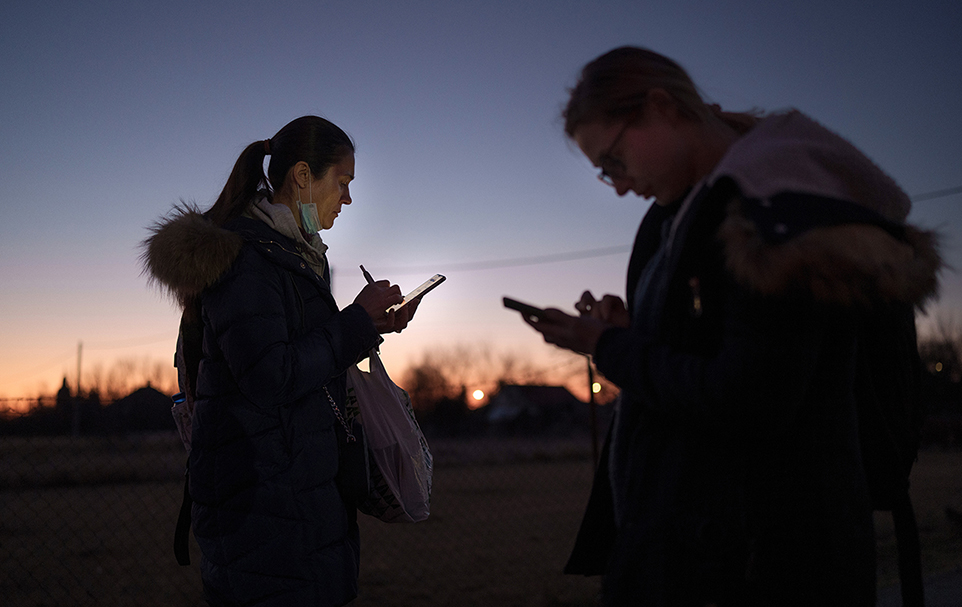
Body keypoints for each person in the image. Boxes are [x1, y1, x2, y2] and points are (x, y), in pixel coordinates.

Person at [518, 47, 941, 606]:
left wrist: (608, 346)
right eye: (605, 171)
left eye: (613, 160)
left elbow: (749, 398)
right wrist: (637, 327)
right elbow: (721, 342)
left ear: (661, 106)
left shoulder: (768, 210)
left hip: (757, 563)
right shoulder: (700, 204)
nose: (617, 184)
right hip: (711, 545)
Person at [142, 116, 417, 606]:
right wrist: (355, 321)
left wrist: (373, 325)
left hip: (295, 500)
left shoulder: (293, 256)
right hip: (263, 511)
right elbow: (272, 375)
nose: (348, 199)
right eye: (344, 182)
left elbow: (303, 356)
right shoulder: (248, 260)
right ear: (303, 176)